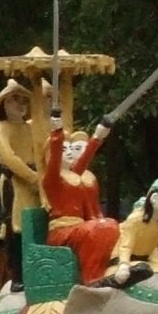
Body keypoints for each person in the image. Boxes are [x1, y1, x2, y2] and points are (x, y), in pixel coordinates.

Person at [42, 112, 119, 284]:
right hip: (62, 232)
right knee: (92, 230)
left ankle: (112, 267)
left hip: (80, 228)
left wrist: (99, 135)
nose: (69, 152)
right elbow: (55, 156)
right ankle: (92, 278)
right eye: (64, 149)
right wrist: (57, 132)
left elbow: (85, 158)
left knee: (111, 225)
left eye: (70, 148)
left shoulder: (75, 175)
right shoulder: (52, 180)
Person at [0, 79, 40, 291]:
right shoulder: (0, 128)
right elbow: (8, 157)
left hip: (37, 184)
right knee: (16, 227)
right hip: (15, 182)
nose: (19, 103)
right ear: (3, 104)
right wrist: (33, 178)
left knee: (39, 223)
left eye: (22, 99)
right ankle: (18, 276)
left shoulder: (32, 127)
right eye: (14, 99)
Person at [107, 178, 158, 285]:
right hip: (124, 259)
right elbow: (126, 246)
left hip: (146, 262)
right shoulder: (135, 219)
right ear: (154, 198)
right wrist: (123, 265)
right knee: (142, 269)